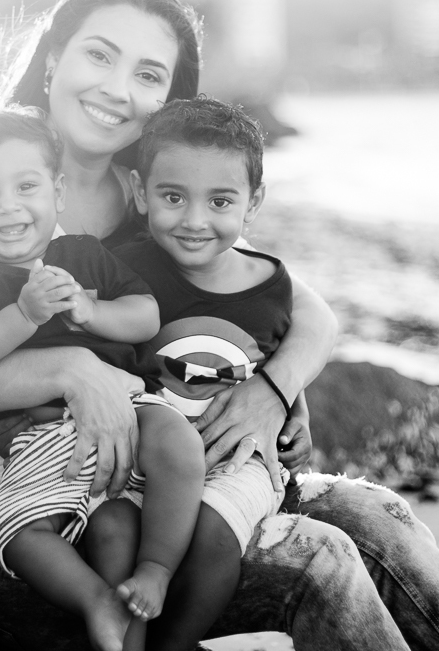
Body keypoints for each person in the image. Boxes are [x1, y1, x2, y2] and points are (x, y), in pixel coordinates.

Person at [0, 0, 439, 650]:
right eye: (99, 55)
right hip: (10, 514)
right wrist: (71, 369)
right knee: (321, 562)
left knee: (378, 516)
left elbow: (310, 315)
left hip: (150, 481)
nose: (116, 89)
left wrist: (271, 390)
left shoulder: (159, 193)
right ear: (53, 59)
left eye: (148, 73)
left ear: (167, 96)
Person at [0, 105, 204, 651]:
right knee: (16, 528)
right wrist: (21, 316)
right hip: (35, 441)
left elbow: (146, 315)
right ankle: (97, 600)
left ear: (56, 193)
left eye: (25, 186)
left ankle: (156, 571)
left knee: (176, 444)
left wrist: (90, 312)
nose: (8, 207)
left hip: (126, 414)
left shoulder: (82, 254)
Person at [92, 97, 295, 650]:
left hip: (235, 463)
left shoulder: (272, 285)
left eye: (221, 200)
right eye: (173, 197)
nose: (194, 220)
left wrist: (293, 405)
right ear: (140, 192)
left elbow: (275, 361)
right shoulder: (125, 271)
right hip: (148, 459)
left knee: (212, 531)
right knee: (112, 529)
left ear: (253, 203)